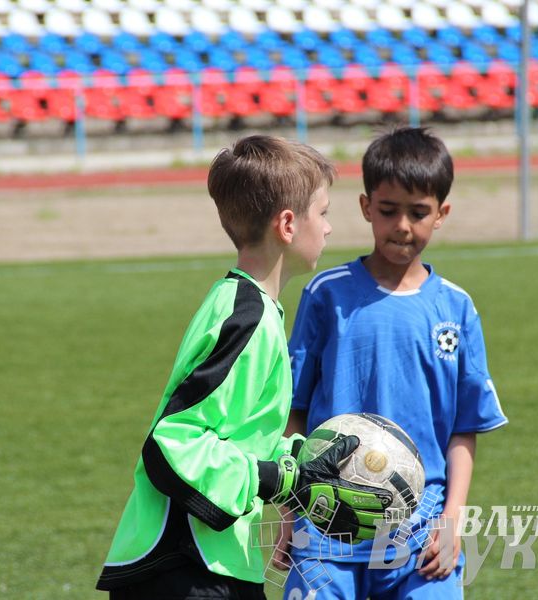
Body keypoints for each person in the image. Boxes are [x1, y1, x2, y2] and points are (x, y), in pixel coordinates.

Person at [96, 135, 391, 600]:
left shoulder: (254, 308)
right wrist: (278, 479)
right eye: (324, 212)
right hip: (185, 568)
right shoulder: (246, 317)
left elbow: (236, 431)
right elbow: (173, 442)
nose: (330, 228)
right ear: (288, 225)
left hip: (216, 562)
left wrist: (301, 461)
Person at [276, 126, 508, 599]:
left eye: (418, 212)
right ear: (366, 208)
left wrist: (452, 521)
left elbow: (465, 426)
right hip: (326, 529)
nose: (403, 225)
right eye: (388, 211)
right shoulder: (327, 295)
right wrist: (289, 510)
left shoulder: (456, 308)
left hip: (421, 535)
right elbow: (293, 412)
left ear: (441, 214)